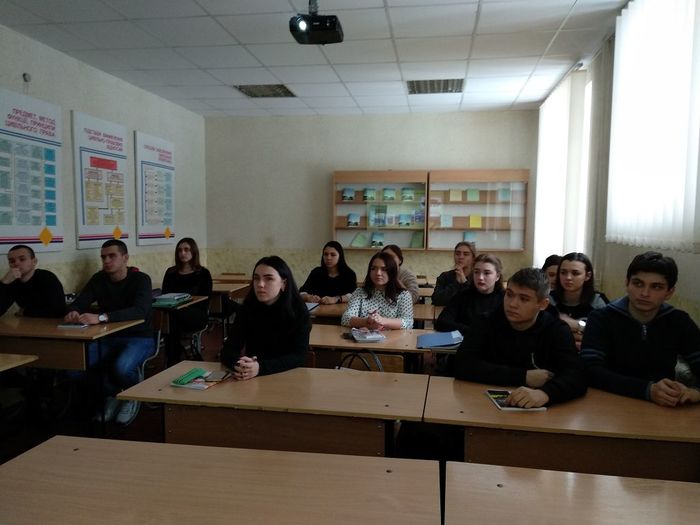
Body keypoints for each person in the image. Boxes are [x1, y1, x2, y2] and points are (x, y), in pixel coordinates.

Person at [454, 267, 587, 408]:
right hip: (482, 403)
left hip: (540, 410)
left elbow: (577, 376)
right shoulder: (485, 322)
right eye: (509, 295)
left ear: (542, 304)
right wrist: (523, 376)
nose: (512, 304)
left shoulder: (557, 330)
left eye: (524, 299)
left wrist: (546, 393)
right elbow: (462, 364)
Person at [581, 252, 700, 407]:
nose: (644, 293)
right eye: (638, 283)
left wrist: (696, 392)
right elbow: (589, 370)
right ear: (627, 283)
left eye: (656, 287)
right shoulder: (601, 318)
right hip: (607, 403)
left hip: (662, 408)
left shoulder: (679, 321)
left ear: (669, 292)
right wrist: (647, 390)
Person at [64, 240, 153, 425]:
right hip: (107, 336)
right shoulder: (98, 279)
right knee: (73, 369)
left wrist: (102, 317)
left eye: (112, 256)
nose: (106, 261)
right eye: (103, 257)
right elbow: (80, 302)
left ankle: (132, 393)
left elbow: (140, 311)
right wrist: (73, 311)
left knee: (121, 367)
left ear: (125, 258)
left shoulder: (141, 279)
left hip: (139, 337)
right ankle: (114, 393)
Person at [220, 256, 310, 380]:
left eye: (269, 279)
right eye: (256, 278)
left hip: (288, 377)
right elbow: (228, 350)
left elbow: (299, 356)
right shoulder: (247, 308)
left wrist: (260, 368)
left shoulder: (298, 310)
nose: (260, 284)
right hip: (253, 378)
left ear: (283, 283)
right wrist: (239, 365)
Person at [161, 237, 213, 365]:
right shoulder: (171, 272)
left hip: (196, 314)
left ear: (193, 252)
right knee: (168, 318)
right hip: (173, 313)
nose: (182, 253)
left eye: (186, 250)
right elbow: (164, 295)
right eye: (179, 250)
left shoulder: (203, 273)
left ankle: (174, 358)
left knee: (172, 318)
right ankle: (174, 356)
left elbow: (205, 300)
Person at [435, 253, 504, 337]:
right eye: (476, 272)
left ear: (497, 276)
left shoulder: (505, 299)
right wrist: (472, 331)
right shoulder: (462, 296)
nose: (480, 277)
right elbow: (442, 322)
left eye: (487, 273)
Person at [341, 251, 413, 330]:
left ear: (392, 272)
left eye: (384, 269)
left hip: (393, 337)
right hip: (365, 336)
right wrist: (367, 322)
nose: (378, 273)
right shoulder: (359, 292)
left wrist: (383, 321)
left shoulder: (403, 295)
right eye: (373, 268)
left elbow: (408, 322)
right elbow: (345, 319)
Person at [549, 252, 608, 343]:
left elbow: (606, 332)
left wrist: (576, 325)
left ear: (587, 276)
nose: (568, 277)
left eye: (575, 273)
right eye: (563, 272)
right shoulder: (549, 299)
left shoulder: (597, 301)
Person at [0, 244, 65, 318]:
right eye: (12, 261)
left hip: (51, 323)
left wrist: (25, 312)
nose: (16, 263)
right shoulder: (13, 282)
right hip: (27, 322)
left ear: (34, 261)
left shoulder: (47, 277)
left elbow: (59, 310)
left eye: (22, 259)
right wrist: (3, 282)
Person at [299, 241, 357, 305]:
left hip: (341, 310)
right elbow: (301, 293)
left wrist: (336, 299)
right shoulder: (316, 272)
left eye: (333, 255)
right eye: (326, 254)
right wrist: (308, 297)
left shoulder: (349, 274)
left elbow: (353, 295)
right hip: (318, 310)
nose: (328, 258)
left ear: (340, 256)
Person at [431, 241, 476, 306]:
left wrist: (464, 282)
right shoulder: (445, 276)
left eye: (466, 254)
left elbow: (475, 302)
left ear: (473, 258)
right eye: (457, 254)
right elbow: (436, 300)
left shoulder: (478, 277)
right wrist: (456, 284)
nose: (461, 257)